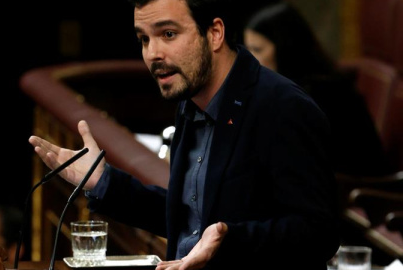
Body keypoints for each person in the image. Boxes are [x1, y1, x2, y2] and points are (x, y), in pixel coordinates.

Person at [29, 0, 340, 269]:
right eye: (143, 39)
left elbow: (319, 235)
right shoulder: (190, 101)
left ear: (214, 33)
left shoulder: (283, 107)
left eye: (168, 34)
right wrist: (104, 183)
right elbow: (189, 218)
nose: (152, 54)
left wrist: (228, 239)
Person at [243, 2, 389, 177]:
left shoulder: (322, 93)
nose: (249, 59)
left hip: (349, 190)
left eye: (257, 49)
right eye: (247, 49)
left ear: (285, 48)